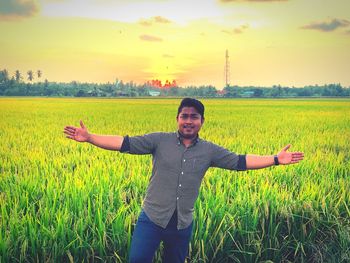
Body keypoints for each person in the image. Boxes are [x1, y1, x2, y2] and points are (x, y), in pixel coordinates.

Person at [63, 98, 304, 263]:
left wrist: (274, 159)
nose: (189, 121)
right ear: (177, 119)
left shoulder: (210, 151)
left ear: (202, 121)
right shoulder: (159, 140)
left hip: (181, 224)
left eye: (194, 117)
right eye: (184, 116)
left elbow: (240, 161)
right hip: (152, 219)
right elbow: (124, 143)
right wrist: (91, 137)